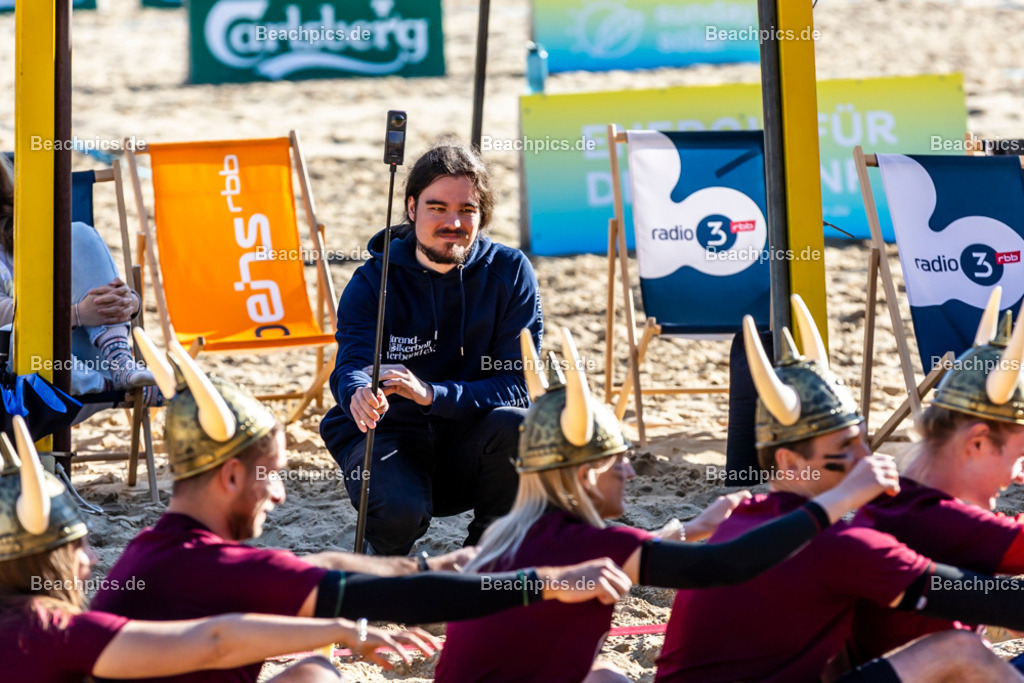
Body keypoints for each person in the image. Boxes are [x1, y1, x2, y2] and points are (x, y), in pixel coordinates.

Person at [92, 329, 632, 683]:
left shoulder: (158, 548)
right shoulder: (217, 566)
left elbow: (324, 569)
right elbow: (385, 596)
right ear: (232, 474)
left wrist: (427, 565)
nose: (280, 494)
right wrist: (541, 582)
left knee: (313, 673)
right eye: (272, 475)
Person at [435, 326, 901, 683]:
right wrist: (839, 500)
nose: (631, 472)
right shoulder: (587, 541)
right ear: (585, 474)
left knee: (606, 677)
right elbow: (722, 565)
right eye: (619, 462)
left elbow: (619, 556)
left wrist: (695, 526)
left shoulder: (514, 535)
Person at [654, 295, 1024, 683]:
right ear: (788, 463)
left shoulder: (744, 515)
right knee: (958, 649)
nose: (867, 458)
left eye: (862, 441)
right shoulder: (838, 543)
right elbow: (988, 600)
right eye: (845, 448)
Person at [0, 415, 439, 682]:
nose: (93, 560)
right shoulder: (51, 629)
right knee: (317, 674)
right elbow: (216, 640)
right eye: (78, 547)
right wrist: (346, 631)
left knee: (313, 672)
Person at [319, 141, 542, 554]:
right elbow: (352, 362)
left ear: (483, 215)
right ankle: (384, 562)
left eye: (467, 210)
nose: (453, 222)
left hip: (472, 441)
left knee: (522, 425)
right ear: (410, 207)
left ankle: (485, 557)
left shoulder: (511, 273)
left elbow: (519, 384)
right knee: (397, 514)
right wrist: (356, 394)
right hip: (393, 437)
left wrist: (431, 394)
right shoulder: (372, 280)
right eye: (437, 207)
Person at [847, 288, 1024, 665]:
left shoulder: (902, 502)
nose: (1019, 476)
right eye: (1019, 457)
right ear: (976, 442)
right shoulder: (934, 518)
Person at [0, 154, 157, 409]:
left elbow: (88, 279)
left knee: (78, 234)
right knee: (15, 341)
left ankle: (120, 362)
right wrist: (76, 315)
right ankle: (117, 385)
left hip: (86, 359)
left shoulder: (27, 229)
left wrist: (130, 303)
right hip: (26, 384)